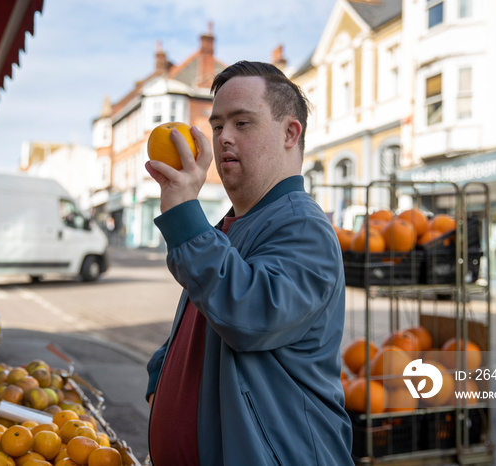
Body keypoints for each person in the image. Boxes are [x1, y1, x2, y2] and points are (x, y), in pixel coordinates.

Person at [144, 61, 353, 466]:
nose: (224, 138)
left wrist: (185, 212)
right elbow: (200, 321)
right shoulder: (230, 225)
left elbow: (249, 314)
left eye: (243, 123)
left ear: (290, 133)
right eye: (218, 125)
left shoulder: (304, 226)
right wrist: (162, 374)